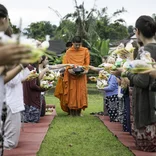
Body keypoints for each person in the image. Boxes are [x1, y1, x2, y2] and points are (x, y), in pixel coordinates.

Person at [112, 15, 156, 152]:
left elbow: (142, 82)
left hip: (147, 107)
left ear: (137, 31)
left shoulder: (145, 51)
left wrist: (124, 72)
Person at [61, 36, 90, 116]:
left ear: (81, 44)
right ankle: (71, 112)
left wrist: (85, 70)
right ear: (72, 43)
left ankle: (79, 112)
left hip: (81, 75)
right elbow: (66, 63)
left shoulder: (85, 50)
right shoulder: (68, 51)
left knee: (81, 92)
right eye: (76, 45)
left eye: (79, 45)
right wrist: (69, 69)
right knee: (71, 93)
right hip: (71, 75)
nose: (77, 46)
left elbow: (87, 63)